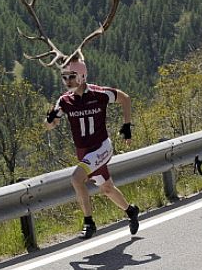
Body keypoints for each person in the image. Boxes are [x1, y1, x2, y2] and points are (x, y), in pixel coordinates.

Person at [45, 57, 139, 239]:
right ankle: (131, 211)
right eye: (64, 78)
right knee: (107, 188)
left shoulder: (99, 93)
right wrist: (48, 120)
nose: (67, 82)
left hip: (101, 147)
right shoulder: (64, 101)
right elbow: (51, 125)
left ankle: (89, 222)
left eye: (71, 77)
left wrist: (127, 126)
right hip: (84, 153)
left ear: (82, 75)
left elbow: (125, 98)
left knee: (76, 179)